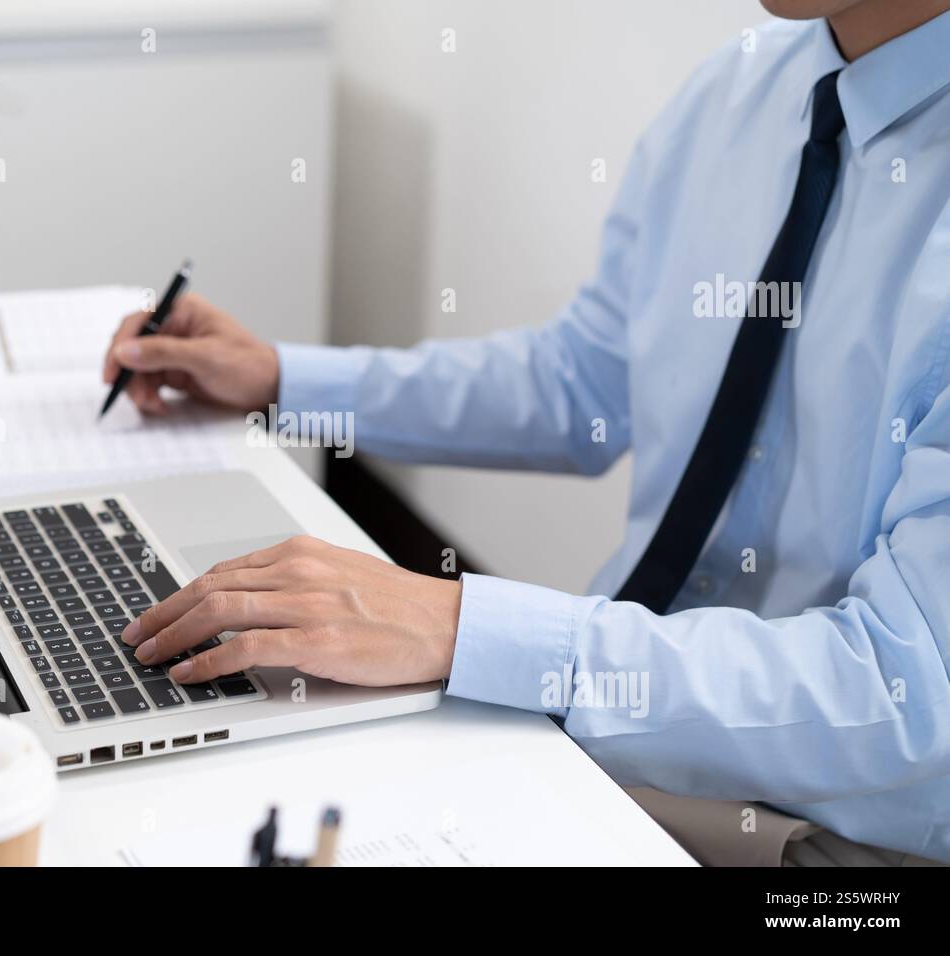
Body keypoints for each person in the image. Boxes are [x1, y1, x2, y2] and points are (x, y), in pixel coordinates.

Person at [104, 0, 950, 866]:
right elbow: (581, 382)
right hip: (606, 745)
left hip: (845, 852)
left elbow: (910, 689)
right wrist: (283, 381)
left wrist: (461, 626)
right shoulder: (741, 86)